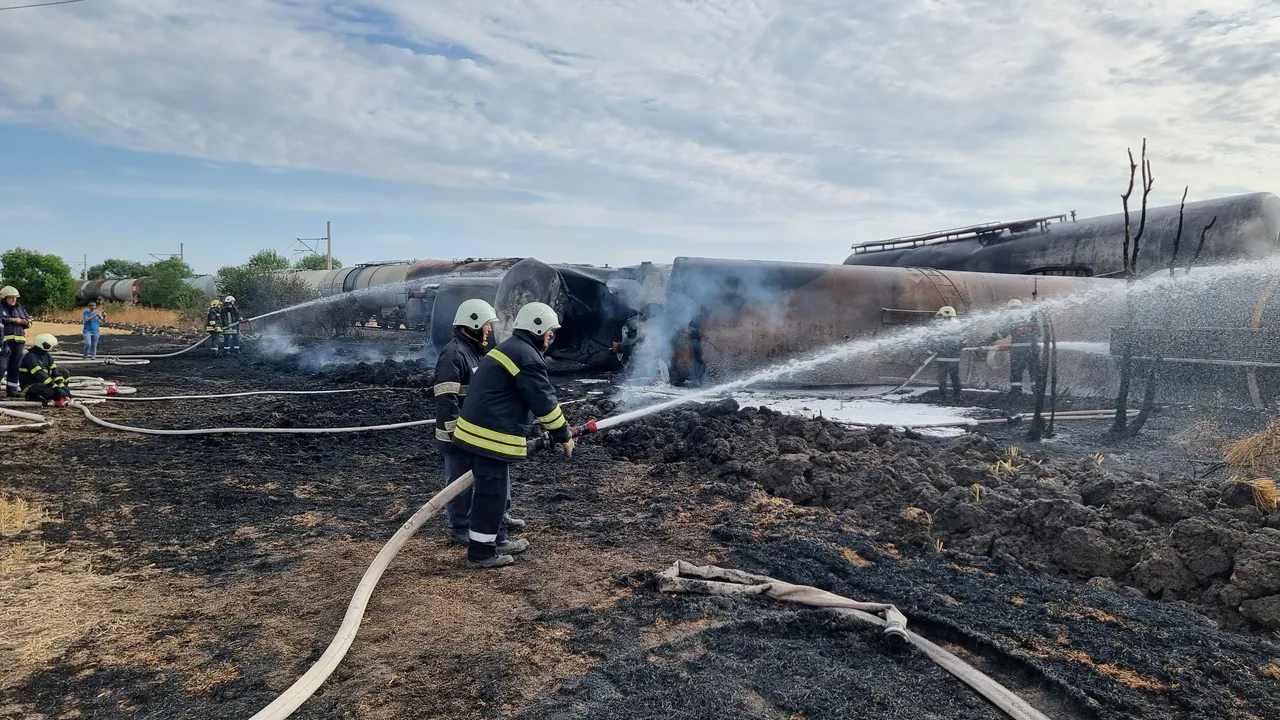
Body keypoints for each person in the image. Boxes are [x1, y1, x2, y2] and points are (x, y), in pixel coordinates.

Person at [452, 301, 574, 569]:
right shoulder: (526, 357)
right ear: (537, 329)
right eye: (549, 331)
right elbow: (544, 401)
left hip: (481, 433)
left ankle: (499, 540)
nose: (551, 336)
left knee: (496, 494)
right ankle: (481, 554)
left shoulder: (512, 348)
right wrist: (563, 434)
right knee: (491, 497)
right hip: (487, 438)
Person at [434, 298, 503, 546]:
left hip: (474, 433)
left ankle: (497, 517)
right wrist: (456, 435)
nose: (489, 329)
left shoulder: (474, 352)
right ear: (472, 324)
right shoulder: (453, 354)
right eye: (486, 324)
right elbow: (446, 399)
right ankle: (460, 527)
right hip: (458, 437)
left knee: (486, 478)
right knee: (459, 484)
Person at [988, 299, 1041, 395]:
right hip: (1032, 349)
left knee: (1016, 372)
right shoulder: (1030, 316)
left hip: (1018, 351)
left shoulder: (1010, 318)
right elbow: (1039, 333)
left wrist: (990, 339)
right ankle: (1037, 392)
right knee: (1034, 371)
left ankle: (1016, 393)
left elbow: (1002, 333)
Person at [19, 334, 71, 407]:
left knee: (64, 372)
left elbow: (54, 371)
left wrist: (62, 386)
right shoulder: (30, 357)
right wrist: (55, 387)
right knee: (51, 393)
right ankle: (32, 396)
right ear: (46, 345)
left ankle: (62, 395)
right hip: (32, 385)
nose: (52, 348)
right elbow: (40, 374)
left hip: (44, 383)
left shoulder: (47, 355)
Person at [0, 286, 30, 398]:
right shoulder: (1, 308)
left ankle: (12, 390)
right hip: (4, 342)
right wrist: (13, 320)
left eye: (15, 297)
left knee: (15, 367)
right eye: (11, 297)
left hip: (19, 342)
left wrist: (24, 322)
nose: (14, 300)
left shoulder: (20, 309)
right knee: (1, 367)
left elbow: (29, 322)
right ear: (4, 298)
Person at [931, 306, 965, 402]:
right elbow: (963, 342)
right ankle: (957, 396)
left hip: (941, 358)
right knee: (955, 377)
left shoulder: (938, 328)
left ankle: (943, 397)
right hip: (954, 358)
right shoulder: (959, 327)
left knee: (942, 378)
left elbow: (933, 341)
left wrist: (933, 350)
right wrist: (956, 350)